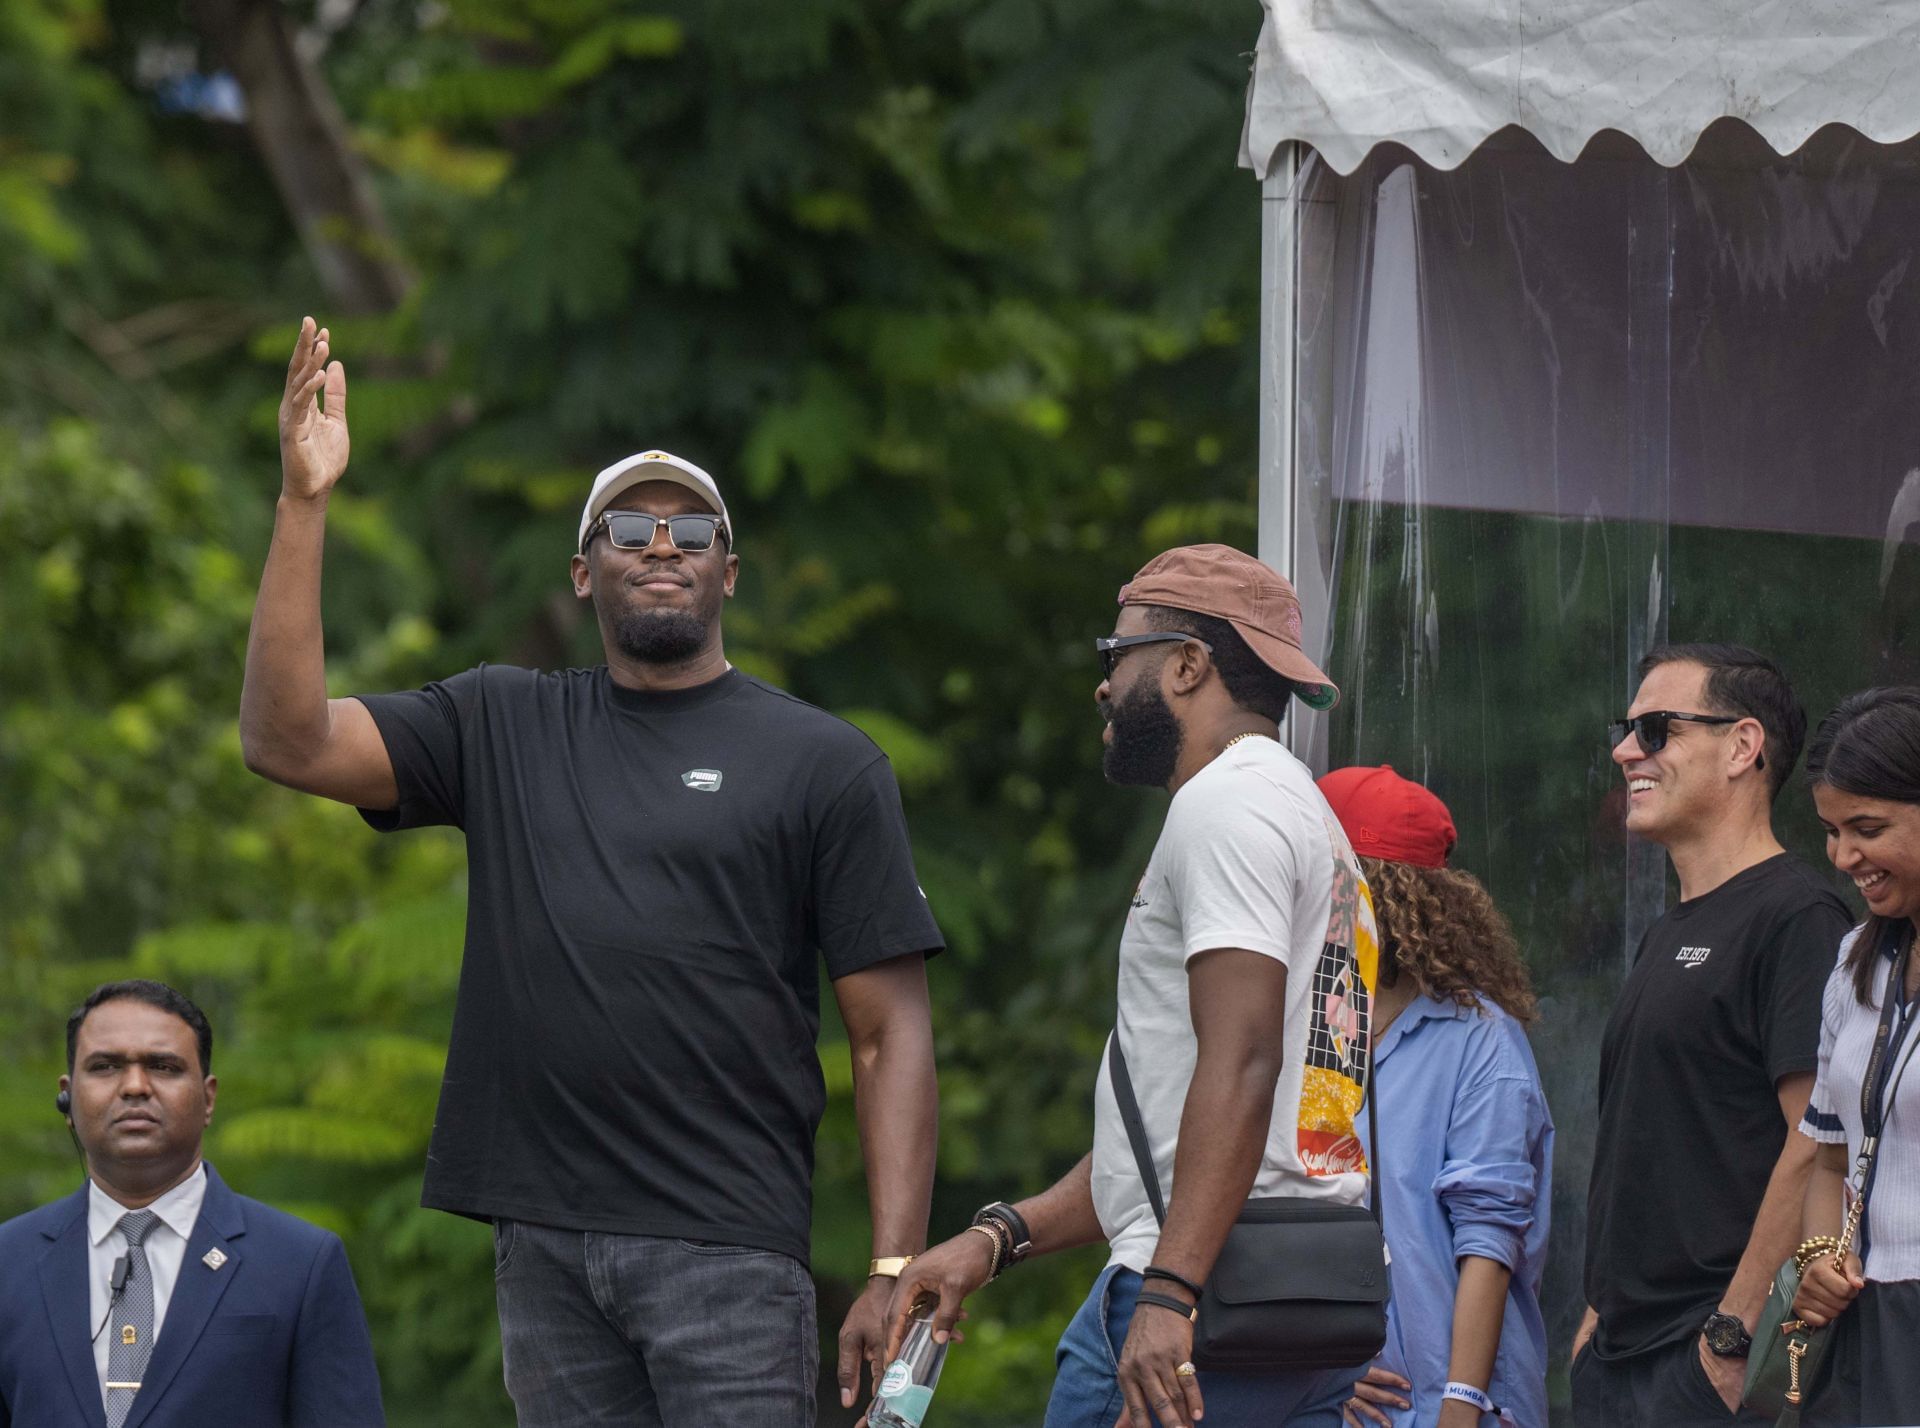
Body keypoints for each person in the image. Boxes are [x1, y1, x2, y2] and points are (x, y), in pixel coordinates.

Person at [241, 318, 944, 1426]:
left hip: (727, 1247)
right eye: (628, 526)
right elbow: (286, 741)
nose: (660, 544)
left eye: (691, 529)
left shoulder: (825, 762)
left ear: (729, 571)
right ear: (582, 570)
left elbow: (889, 1033)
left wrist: (896, 1267)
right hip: (546, 1249)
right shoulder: (502, 720)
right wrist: (304, 502)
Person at [880, 543, 1377, 1428]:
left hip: (1199, 1312)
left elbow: (1245, 1058)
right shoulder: (1309, 816)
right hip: (1301, 1301)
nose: (1103, 688)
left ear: (1189, 666)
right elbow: (1170, 1132)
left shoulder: (1224, 806)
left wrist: (1169, 1294)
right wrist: (998, 1238)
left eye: (1118, 658)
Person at [1573, 644, 1852, 1427]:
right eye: (1625, 730)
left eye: (1656, 728)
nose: (1626, 749)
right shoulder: (1668, 930)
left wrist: (1734, 1335)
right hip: (1620, 1359)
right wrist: (1596, 1323)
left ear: (1742, 747)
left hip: (1702, 1361)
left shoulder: (1797, 916)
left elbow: (1816, 1140)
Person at [0, 980, 384, 1428]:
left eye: (163, 1067)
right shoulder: (9, 1261)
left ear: (208, 1098)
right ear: (66, 1097)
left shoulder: (300, 1264)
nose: (135, 1086)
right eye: (105, 1066)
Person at [1315, 767, 1553, 1428]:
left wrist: (1460, 1406)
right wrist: (1324, 1367)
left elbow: (1489, 1240)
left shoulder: (1481, 1042)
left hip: (1460, 1409)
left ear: (1370, 890)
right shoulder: (1314, 1033)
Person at [1787, 687, 1920, 1425]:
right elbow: (1829, 1157)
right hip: (1859, 1327)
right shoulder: (1853, 964)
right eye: (1832, 832)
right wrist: (1815, 1260)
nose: (1843, 857)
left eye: (1867, 828)